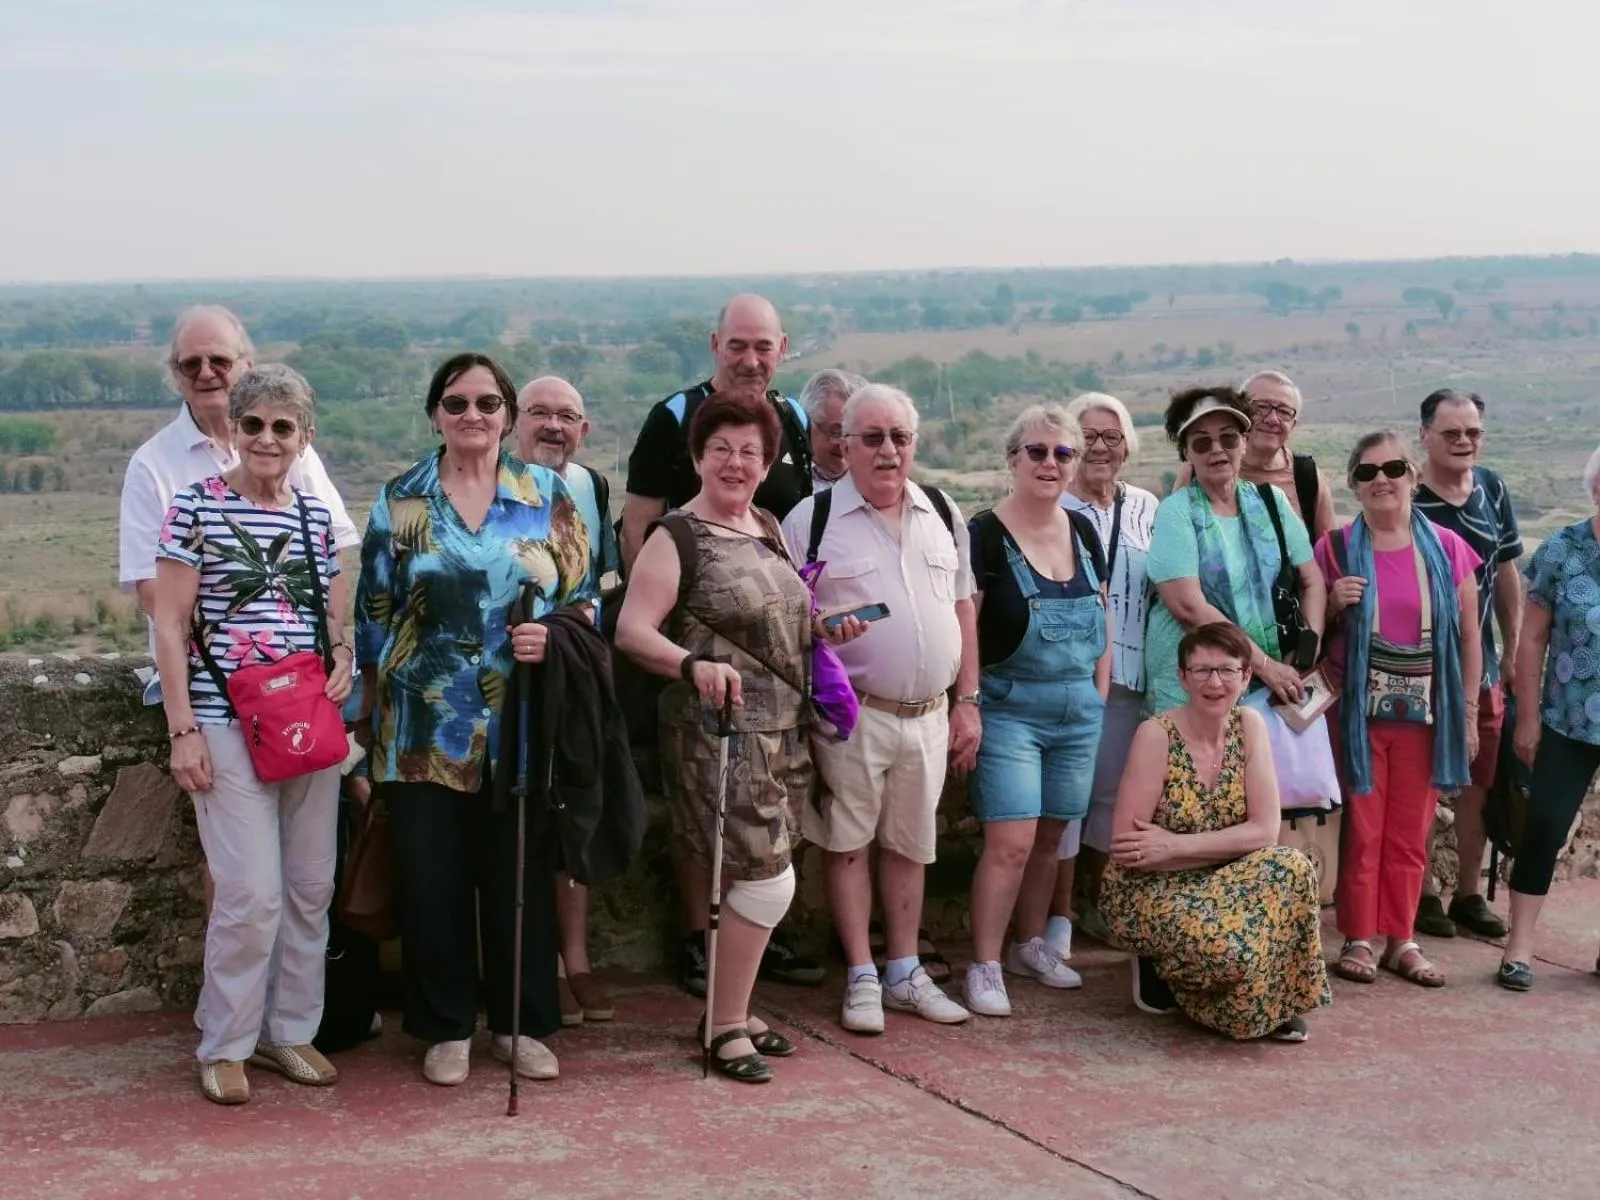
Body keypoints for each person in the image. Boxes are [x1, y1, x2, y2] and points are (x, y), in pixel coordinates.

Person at [353, 353, 593, 1088]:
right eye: (456, 404)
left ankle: (522, 1023)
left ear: (508, 416)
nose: (473, 417)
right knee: (433, 879)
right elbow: (372, 618)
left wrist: (550, 633)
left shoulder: (546, 493)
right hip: (422, 723)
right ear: (435, 414)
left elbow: (585, 601)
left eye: (488, 404)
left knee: (516, 869)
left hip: (520, 715)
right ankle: (446, 1025)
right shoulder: (401, 502)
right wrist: (368, 721)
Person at [616, 391, 857, 1082]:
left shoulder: (768, 524)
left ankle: (733, 1007)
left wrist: (827, 629)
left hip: (784, 731)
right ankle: (724, 1028)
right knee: (764, 882)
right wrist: (690, 665)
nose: (736, 462)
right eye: (721, 448)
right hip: (718, 732)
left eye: (751, 451)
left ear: (769, 461)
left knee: (751, 879)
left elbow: (788, 619)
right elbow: (633, 631)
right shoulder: (676, 537)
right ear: (697, 456)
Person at [151, 364, 352, 1104]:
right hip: (226, 718)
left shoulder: (312, 517)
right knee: (251, 893)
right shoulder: (194, 509)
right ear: (231, 430)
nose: (267, 439)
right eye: (254, 424)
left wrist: (344, 657)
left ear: (305, 437)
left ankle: (289, 1031)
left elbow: (327, 615)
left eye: (283, 426)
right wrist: (183, 730)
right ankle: (226, 1041)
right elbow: (169, 625)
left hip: (304, 719)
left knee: (310, 886)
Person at [619, 293, 823, 996]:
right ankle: (703, 948)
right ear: (715, 345)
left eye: (762, 346)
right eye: (737, 345)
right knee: (705, 837)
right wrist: (683, 648)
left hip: (780, 698)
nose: (750, 358)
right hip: (704, 679)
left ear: (783, 349)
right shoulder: (672, 419)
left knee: (769, 848)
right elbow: (637, 531)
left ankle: (749, 963)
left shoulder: (789, 422)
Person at [781, 383, 978, 1034]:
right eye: (872, 437)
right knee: (847, 845)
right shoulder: (809, 522)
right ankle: (862, 974)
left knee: (911, 846)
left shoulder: (944, 511)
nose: (888, 450)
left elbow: (962, 608)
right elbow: (785, 618)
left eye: (899, 437)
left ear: (914, 444)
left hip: (927, 713)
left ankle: (904, 970)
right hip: (852, 714)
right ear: (845, 445)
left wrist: (967, 700)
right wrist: (819, 627)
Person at [1100, 622, 1330, 1043]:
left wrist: (1173, 845)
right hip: (1151, 889)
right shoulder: (1157, 736)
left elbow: (1265, 832)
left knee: (1293, 866)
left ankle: (1271, 1005)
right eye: (1202, 671)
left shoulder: (1249, 725)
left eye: (1226, 671)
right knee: (1229, 952)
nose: (1215, 682)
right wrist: (1224, 846)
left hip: (1220, 880)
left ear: (1246, 677)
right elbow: (1131, 851)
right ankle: (1166, 970)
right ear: (1182, 677)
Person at [120, 305, 359, 696]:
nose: (206, 372)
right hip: (209, 684)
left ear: (247, 364)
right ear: (176, 375)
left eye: (219, 360)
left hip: (299, 681)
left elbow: (330, 560)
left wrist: (335, 645)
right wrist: (239, 658)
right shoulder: (152, 465)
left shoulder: (289, 447)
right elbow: (151, 589)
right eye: (190, 364)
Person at [961, 405, 1111, 1018]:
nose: (1050, 463)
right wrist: (966, 702)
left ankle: (1030, 946)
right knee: (1011, 841)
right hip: (1009, 708)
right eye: (1037, 451)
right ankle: (985, 963)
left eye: (1062, 453)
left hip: (1078, 708)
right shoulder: (984, 533)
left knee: (1053, 835)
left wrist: (1098, 691)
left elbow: (1101, 609)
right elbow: (965, 622)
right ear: (1013, 459)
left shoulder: (1084, 531)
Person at [1318, 432, 1481, 989]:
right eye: (1366, 473)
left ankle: (1400, 939)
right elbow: (1312, 635)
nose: (1380, 480)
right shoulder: (1335, 549)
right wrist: (1335, 604)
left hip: (1427, 717)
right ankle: (1360, 937)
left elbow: (1469, 635)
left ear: (1412, 475)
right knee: (1363, 830)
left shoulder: (1449, 549)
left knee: (1412, 832)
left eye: (1391, 468)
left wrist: (1469, 709)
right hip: (1359, 718)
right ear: (1354, 486)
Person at [514, 374, 621, 1026]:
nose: (554, 426)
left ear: (584, 431)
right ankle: (536, 964)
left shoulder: (590, 486)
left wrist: (581, 624)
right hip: (510, 677)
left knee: (573, 812)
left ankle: (575, 958)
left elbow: (607, 573)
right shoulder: (488, 487)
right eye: (539, 413)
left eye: (568, 416)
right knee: (522, 822)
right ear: (514, 422)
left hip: (575, 671)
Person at [1411, 389, 1522, 940]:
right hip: (1422, 672)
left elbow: (1505, 574)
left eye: (1472, 432)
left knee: (1479, 783)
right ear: (1425, 434)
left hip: (1482, 668)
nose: (1463, 442)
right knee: (1426, 786)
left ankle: (1468, 895)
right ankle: (1422, 893)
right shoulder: (1407, 498)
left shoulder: (1492, 487)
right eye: (1451, 432)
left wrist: (1514, 650)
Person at [1145, 387, 1326, 717]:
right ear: (1186, 452)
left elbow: (1311, 578)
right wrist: (1265, 665)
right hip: (1194, 693)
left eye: (1228, 438)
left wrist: (1303, 654)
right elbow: (1189, 608)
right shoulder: (1176, 513)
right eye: (1201, 442)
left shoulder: (1272, 502)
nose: (1217, 450)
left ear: (1245, 440)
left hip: (1270, 691)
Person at [1056, 391, 1160, 948]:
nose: (1099, 447)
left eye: (1110, 437)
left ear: (1126, 447)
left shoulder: (1147, 506)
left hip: (1129, 676)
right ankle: (1055, 916)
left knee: (1111, 798)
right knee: (1065, 797)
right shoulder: (1054, 505)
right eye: (1087, 437)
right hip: (1068, 673)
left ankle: (1093, 903)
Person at [1498, 443, 1600, 991]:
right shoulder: (1563, 550)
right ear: (1596, 490)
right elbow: (1532, 639)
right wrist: (1529, 719)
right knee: (1543, 827)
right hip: (1567, 719)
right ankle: (1519, 950)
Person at [1174, 370, 1335, 541]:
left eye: (1284, 412)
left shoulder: (1306, 476)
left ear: (1293, 425)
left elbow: (1329, 554)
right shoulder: (1199, 469)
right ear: (1240, 415)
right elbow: (1175, 540)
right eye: (1261, 407)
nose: (1273, 419)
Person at [799, 368, 866, 490]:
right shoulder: (787, 480)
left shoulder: (876, 483)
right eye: (837, 433)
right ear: (808, 424)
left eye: (858, 434)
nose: (847, 444)